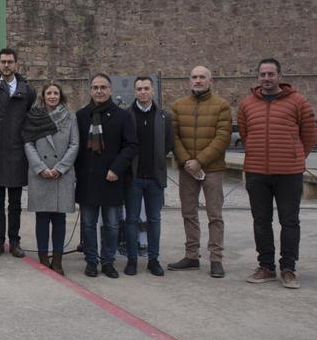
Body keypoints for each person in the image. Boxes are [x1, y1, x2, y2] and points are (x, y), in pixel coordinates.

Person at [238, 58, 317, 289]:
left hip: (288, 173)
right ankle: (266, 266)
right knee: (261, 221)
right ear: (257, 77)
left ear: (280, 76)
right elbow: (245, 134)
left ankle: (288, 268)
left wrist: (295, 157)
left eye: (271, 74)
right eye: (263, 74)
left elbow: (309, 136)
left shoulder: (298, 102)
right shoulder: (246, 104)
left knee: (289, 221)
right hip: (256, 172)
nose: (266, 78)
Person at [168, 65, 232, 278]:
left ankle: (216, 258)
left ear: (210, 80)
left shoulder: (221, 106)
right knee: (189, 213)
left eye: (202, 77)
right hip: (187, 169)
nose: (198, 80)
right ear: (189, 80)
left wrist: (200, 161)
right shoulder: (178, 105)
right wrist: (187, 161)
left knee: (215, 214)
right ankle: (192, 255)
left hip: (212, 168)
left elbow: (222, 137)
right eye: (194, 77)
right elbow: (174, 136)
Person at [74, 73, 138, 278]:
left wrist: (116, 168)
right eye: (95, 87)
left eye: (103, 87)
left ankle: (108, 261)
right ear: (90, 90)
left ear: (110, 90)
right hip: (88, 179)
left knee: (111, 225)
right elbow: (75, 147)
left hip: (112, 179)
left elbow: (131, 145)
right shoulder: (81, 116)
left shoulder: (122, 116)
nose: (99, 91)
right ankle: (91, 261)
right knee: (89, 225)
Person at [0, 48, 36, 258]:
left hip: (17, 153)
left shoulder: (27, 91)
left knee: (14, 202)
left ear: (16, 64)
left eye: (10, 62)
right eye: (3, 62)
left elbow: (28, 118)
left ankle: (14, 241)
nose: (6, 65)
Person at [23, 82, 79, 274]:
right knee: (42, 218)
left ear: (60, 96)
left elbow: (74, 144)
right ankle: (42, 258)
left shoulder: (70, 117)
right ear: (43, 96)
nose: (53, 96)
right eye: (49, 93)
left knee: (59, 219)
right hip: (40, 175)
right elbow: (28, 144)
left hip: (61, 175)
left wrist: (60, 168)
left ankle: (57, 260)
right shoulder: (34, 117)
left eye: (56, 93)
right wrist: (40, 168)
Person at [123, 76, 173, 277]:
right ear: (134, 92)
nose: (142, 92)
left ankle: (153, 259)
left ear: (152, 91)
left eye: (146, 88)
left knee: (154, 219)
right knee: (131, 219)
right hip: (133, 177)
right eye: (139, 89)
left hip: (155, 178)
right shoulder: (126, 115)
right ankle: (132, 260)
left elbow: (168, 143)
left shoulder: (164, 116)